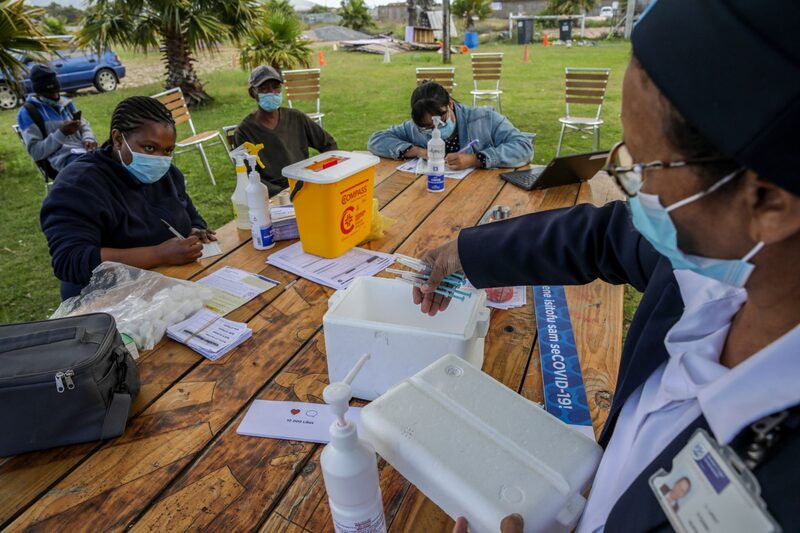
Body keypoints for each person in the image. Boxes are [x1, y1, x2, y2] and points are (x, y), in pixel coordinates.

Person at [413, 1, 800, 531]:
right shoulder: (716, 272)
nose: (627, 182)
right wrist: (466, 251)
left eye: (643, 165)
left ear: (770, 203)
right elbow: (605, 235)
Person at [40, 96, 216, 300]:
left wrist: (196, 230)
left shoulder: (167, 174)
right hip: (106, 302)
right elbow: (70, 260)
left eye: (168, 150)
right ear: (117, 139)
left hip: (169, 288)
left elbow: (190, 215)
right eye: (149, 148)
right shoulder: (79, 185)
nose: (159, 159)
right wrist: (158, 254)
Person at [367, 81, 532, 170]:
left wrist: (476, 159)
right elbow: (376, 140)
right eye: (428, 127)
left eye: (441, 120)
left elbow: (524, 147)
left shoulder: (484, 119)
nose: (436, 129)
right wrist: (418, 151)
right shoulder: (415, 128)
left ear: (450, 105)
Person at [234, 65, 338, 196]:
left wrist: (322, 174)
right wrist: (281, 193)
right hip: (274, 194)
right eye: (264, 89)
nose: (271, 93)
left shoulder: (296, 117)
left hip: (305, 183)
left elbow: (328, 144)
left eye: (276, 88)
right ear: (252, 93)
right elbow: (248, 174)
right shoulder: (245, 131)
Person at [16, 64, 97, 173]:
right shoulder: (28, 112)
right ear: (39, 92)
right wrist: (61, 133)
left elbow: (84, 126)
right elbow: (35, 152)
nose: (55, 96)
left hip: (85, 152)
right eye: (49, 93)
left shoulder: (66, 103)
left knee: (115, 162)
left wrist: (88, 139)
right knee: (93, 172)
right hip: (61, 161)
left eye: (56, 91)